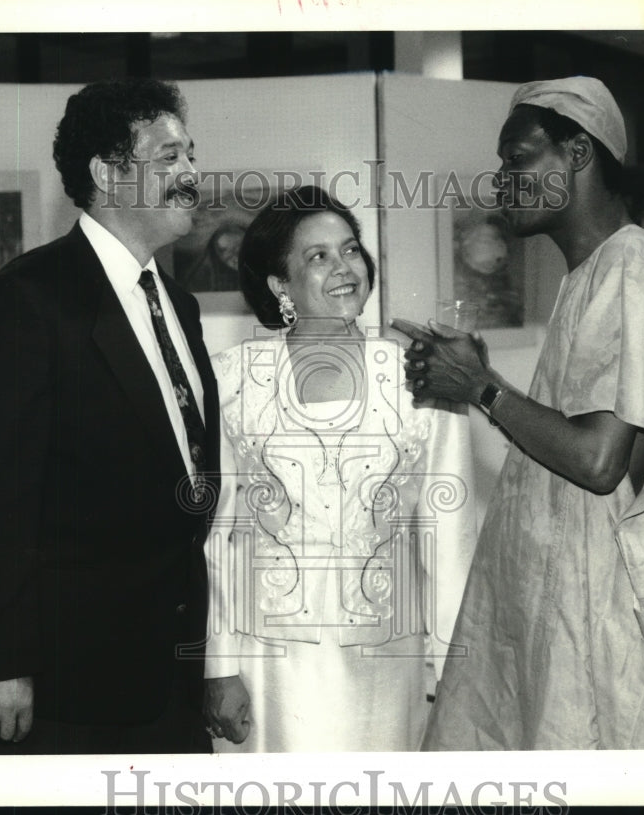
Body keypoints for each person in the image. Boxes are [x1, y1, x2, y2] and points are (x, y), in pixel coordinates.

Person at [393, 76, 644, 749]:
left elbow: (597, 458)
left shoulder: (635, 268)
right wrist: (473, 378)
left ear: (578, 153)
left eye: (518, 159)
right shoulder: (589, 276)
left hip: (608, 633)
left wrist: (483, 388)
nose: (503, 181)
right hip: (572, 623)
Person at [0, 78, 219, 754]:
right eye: (169, 157)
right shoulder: (24, 300)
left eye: (190, 154)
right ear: (107, 174)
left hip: (169, 683)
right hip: (66, 694)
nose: (190, 173)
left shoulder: (177, 304)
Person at [202, 186, 476, 751]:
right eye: (318, 256)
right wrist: (217, 666)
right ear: (280, 285)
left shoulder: (424, 376)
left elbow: (450, 542)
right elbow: (218, 539)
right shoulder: (231, 379)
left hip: (385, 664)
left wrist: (453, 671)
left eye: (350, 250)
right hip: (266, 667)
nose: (344, 267)